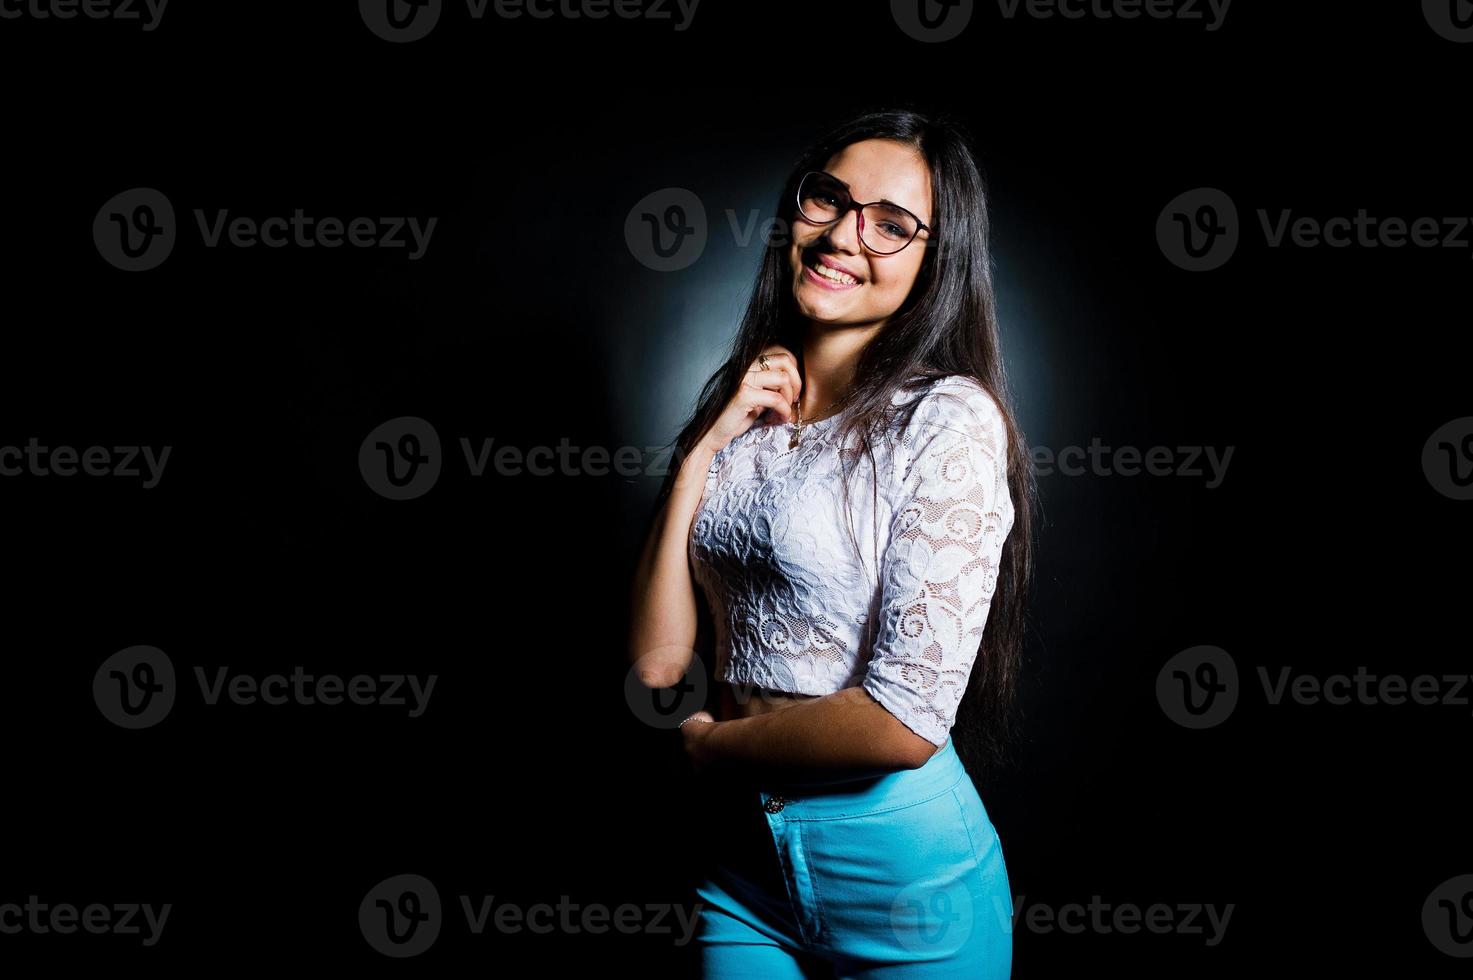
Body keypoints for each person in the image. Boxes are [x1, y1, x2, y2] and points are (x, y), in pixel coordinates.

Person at [628, 107, 1037, 978]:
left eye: (892, 224)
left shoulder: (946, 422)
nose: (847, 235)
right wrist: (702, 451)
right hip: (743, 872)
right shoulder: (746, 411)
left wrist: (710, 748)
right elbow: (660, 668)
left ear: (938, 261)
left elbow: (904, 722)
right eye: (830, 201)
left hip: (906, 884)